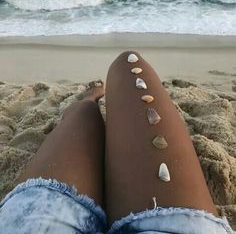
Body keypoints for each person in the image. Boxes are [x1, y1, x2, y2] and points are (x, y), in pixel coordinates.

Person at [0, 52, 233, 233]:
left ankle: (88, 101)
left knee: (87, 112)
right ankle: (93, 109)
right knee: (129, 63)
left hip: (37, 223)